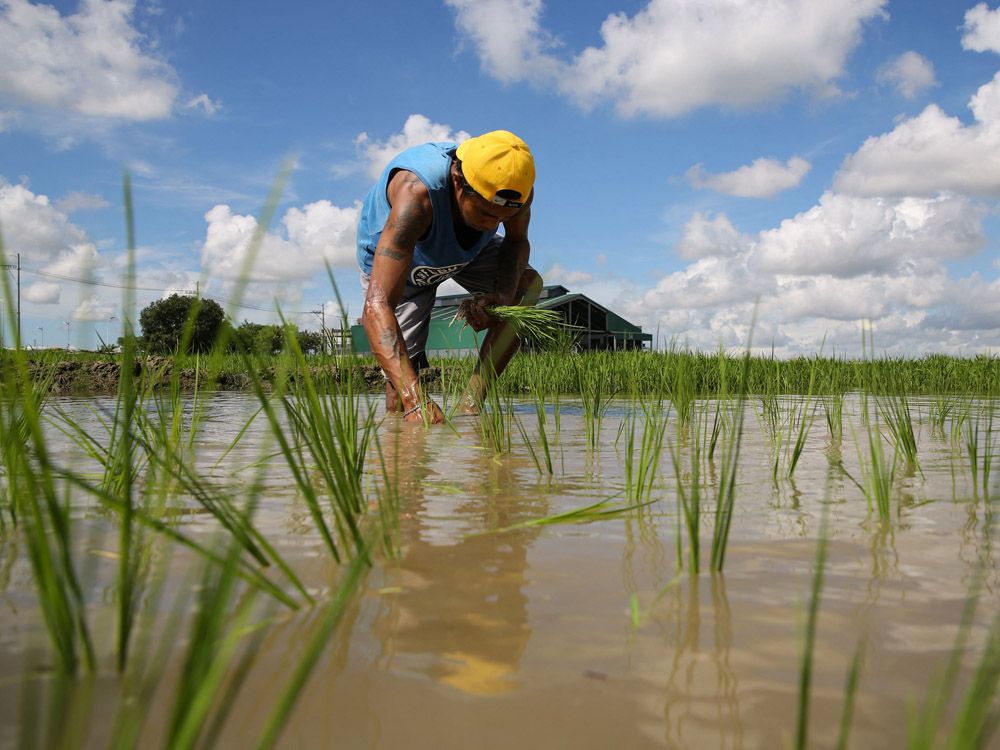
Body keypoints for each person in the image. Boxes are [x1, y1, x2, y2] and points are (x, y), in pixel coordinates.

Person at [357, 130, 542, 424]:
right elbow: (377, 308)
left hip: (467, 250)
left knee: (528, 286)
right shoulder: (416, 194)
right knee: (400, 390)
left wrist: (503, 299)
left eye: (501, 219)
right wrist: (414, 400)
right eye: (485, 213)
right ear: (458, 182)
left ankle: (471, 406)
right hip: (408, 257)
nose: (492, 225)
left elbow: (516, 242)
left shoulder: (516, 193)